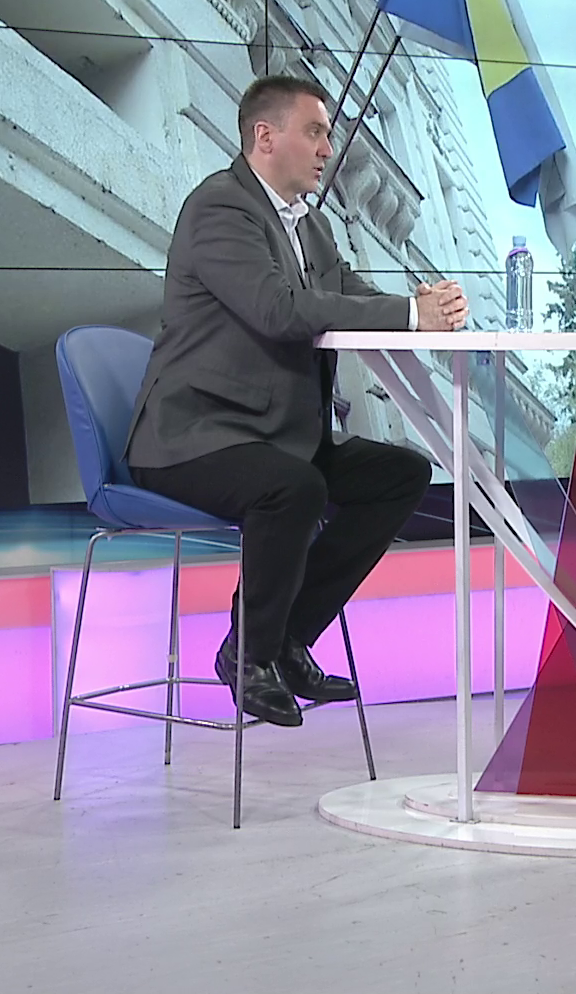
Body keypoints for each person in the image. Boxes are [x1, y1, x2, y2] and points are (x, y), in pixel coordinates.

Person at [125, 74, 469, 728]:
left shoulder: (309, 226)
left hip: (273, 433)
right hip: (194, 435)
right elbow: (278, 310)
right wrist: (408, 315)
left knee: (401, 474)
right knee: (293, 488)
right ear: (265, 136)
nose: (327, 149)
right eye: (314, 132)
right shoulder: (220, 209)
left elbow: (347, 291)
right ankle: (249, 655)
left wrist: (419, 305)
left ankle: (286, 637)